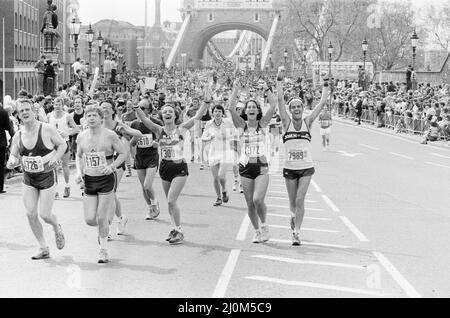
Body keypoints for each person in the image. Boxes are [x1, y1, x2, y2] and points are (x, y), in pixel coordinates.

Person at [134, 89, 209, 245]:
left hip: (179, 167)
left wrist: (206, 103)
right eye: (164, 112)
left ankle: (179, 230)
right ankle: (174, 228)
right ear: (162, 116)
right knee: (170, 203)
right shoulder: (159, 130)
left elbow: (197, 117)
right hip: (165, 167)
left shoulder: (181, 128)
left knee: (170, 200)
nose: (167, 113)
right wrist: (136, 106)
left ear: (175, 115)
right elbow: (145, 120)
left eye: (170, 112)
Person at [6, 99, 67, 259]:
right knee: (30, 214)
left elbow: (63, 145)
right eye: (21, 111)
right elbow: (14, 154)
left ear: (34, 111)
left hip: (46, 175)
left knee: (45, 215)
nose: (25, 113)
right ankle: (43, 247)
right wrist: (11, 161)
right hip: (29, 178)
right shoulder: (18, 135)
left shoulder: (46, 129)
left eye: (27, 110)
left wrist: (56, 158)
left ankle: (56, 227)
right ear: (18, 115)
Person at [277, 69, 330, 246]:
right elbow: (279, 101)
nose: (297, 109)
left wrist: (325, 84)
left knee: (300, 199)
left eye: (299, 106)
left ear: (302, 108)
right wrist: (279, 80)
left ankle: (297, 232)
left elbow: (322, 102)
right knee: (293, 203)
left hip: (306, 167)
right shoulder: (286, 123)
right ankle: (293, 216)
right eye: (293, 107)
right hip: (290, 168)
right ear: (290, 110)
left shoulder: (308, 122)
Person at [75, 105, 127, 263]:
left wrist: (111, 166)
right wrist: (79, 172)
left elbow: (123, 153)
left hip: (106, 179)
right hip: (90, 180)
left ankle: (103, 249)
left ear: (100, 118)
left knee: (101, 217)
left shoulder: (110, 135)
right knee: (90, 219)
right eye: (88, 115)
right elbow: (78, 156)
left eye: (94, 115)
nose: (91, 118)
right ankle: (105, 226)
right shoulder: (81, 137)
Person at [229, 78, 277, 244]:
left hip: (262, 167)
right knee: (250, 204)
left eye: (254, 107)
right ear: (245, 111)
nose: (251, 109)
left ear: (257, 111)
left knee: (258, 200)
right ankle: (256, 231)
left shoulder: (262, 124)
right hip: (245, 168)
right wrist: (236, 89)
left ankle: (264, 226)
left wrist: (267, 89)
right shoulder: (240, 125)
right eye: (248, 107)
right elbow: (230, 107)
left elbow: (273, 106)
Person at [130, 98, 162, 220]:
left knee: (147, 185)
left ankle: (155, 203)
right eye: (137, 107)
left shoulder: (155, 122)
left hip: (152, 156)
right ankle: (150, 208)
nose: (139, 110)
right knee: (143, 186)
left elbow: (162, 137)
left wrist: (157, 142)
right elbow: (131, 143)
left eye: (142, 108)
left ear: (149, 110)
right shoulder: (134, 124)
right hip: (140, 157)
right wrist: (133, 154)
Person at [201, 104, 235, 206]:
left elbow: (235, 133)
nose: (217, 113)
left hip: (225, 151)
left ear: (222, 113)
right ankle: (219, 198)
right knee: (215, 177)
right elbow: (203, 137)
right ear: (212, 113)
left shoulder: (228, 122)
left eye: (219, 111)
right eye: (215, 111)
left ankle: (224, 190)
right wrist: (209, 138)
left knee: (221, 176)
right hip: (213, 152)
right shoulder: (208, 124)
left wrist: (228, 136)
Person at [47, 97, 80, 198]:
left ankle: (67, 186)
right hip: (52, 144)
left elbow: (76, 129)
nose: (57, 106)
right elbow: (46, 128)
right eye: (56, 104)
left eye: (59, 104)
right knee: (53, 166)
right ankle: (54, 189)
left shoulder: (67, 116)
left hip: (64, 143)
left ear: (62, 105)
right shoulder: (49, 115)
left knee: (64, 166)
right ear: (53, 105)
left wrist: (67, 133)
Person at [1, 103, 15, 194]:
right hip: (1, 142)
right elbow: (8, 127)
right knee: (1, 165)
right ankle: (0, 187)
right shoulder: (3, 112)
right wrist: (14, 137)